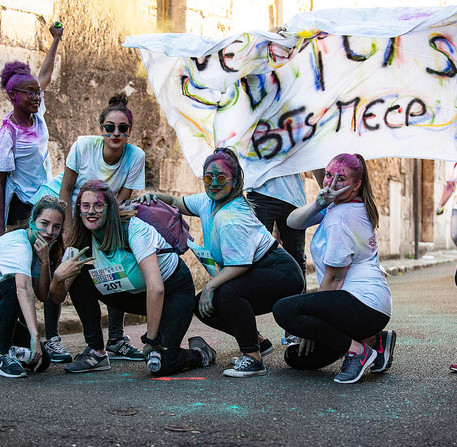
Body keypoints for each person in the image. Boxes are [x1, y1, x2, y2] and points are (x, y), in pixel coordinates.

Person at [137, 147, 305, 377]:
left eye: (221, 177)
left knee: (225, 294)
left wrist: (210, 286)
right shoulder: (208, 202)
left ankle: (253, 359)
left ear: (234, 180)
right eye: (208, 177)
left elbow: (240, 265)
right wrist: (153, 196)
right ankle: (258, 343)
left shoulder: (231, 217)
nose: (214, 183)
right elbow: (177, 202)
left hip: (280, 272)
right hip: (257, 269)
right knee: (203, 306)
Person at [49, 180, 215, 375]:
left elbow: (157, 288)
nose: (91, 211)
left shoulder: (134, 230)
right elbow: (58, 297)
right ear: (79, 209)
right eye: (85, 206)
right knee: (80, 280)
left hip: (173, 292)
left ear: (109, 208)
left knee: (162, 364)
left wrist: (151, 341)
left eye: (98, 205)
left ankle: (201, 353)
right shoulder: (82, 237)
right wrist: (58, 278)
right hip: (136, 293)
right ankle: (96, 352)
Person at [35, 93, 146, 363]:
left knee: (113, 260)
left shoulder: (136, 156)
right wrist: (68, 232)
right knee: (62, 267)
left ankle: (116, 339)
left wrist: (100, 229)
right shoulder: (84, 146)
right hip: (68, 206)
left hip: (103, 211)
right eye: (110, 127)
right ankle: (52, 339)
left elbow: (121, 200)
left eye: (122, 128)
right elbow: (66, 189)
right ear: (102, 129)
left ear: (130, 131)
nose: (116, 133)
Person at [273, 153, 395, 384]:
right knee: (297, 359)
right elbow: (292, 222)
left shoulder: (341, 217)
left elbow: (335, 278)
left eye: (341, 179)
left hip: (362, 304)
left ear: (357, 184)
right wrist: (319, 202)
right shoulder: (336, 204)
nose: (331, 183)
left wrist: (312, 325)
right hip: (365, 307)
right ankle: (376, 341)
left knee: (283, 310)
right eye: (329, 175)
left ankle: (359, 352)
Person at [0, 23, 63, 235]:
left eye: (38, 93)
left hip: (44, 196)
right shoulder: (8, 133)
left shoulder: (36, 115)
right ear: (12, 96)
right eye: (31, 93)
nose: (37, 98)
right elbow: (0, 184)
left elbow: (45, 75)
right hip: (23, 205)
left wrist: (55, 39)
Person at [0, 195, 66, 378]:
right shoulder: (19, 244)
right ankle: (2, 355)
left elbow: (43, 295)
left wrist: (45, 262)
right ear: (31, 221)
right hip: (8, 292)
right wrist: (35, 337)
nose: (49, 231)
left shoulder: (38, 249)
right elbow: (23, 289)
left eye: (56, 227)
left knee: (41, 361)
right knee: (13, 285)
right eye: (44, 223)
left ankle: (7, 349)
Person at [436, 162, 457, 247]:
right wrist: (441, 204)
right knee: (455, 235)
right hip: (456, 206)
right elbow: (450, 186)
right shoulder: (454, 164)